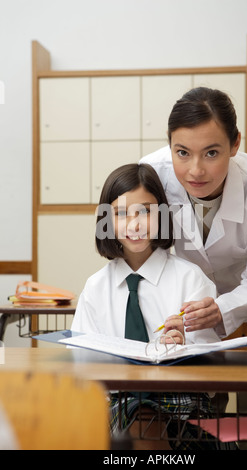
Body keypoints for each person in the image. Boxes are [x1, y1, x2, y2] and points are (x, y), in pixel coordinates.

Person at [140, 87, 247, 413]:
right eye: (182, 152)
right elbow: (142, 254)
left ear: (235, 143)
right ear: (169, 145)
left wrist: (222, 309)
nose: (195, 170)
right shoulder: (151, 175)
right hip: (188, 300)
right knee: (194, 405)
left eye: (211, 153)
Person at [71, 162, 221, 450]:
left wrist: (184, 345)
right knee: (139, 415)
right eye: (121, 214)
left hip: (184, 408)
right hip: (116, 406)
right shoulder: (96, 288)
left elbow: (212, 375)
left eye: (146, 212)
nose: (135, 224)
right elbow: (81, 366)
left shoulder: (190, 279)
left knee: (145, 418)